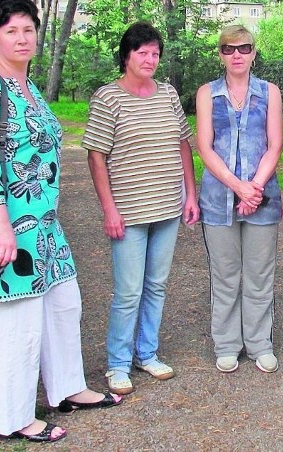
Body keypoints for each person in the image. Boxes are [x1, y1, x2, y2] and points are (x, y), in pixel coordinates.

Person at [0, 0, 122, 443]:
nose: (22, 38)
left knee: (65, 306)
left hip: (44, 224)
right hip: (7, 225)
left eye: (28, 29)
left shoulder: (29, 87)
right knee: (16, 325)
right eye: (11, 31)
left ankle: (68, 388)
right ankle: (12, 418)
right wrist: (2, 226)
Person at [83, 22, 199, 395]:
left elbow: (184, 145)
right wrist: (109, 210)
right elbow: (97, 157)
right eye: (142, 52)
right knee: (128, 291)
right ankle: (117, 363)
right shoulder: (108, 98)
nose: (149, 59)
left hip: (167, 206)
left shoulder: (167, 95)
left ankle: (146, 353)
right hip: (129, 213)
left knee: (157, 286)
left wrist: (190, 196)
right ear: (127, 55)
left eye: (155, 53)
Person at [195, 25, 283, 373]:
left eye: (244, 48)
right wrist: (237, 187)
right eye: (229, 49)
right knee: (226, 275)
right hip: (219, 198)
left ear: (253, 53)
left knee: (260, 275)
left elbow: (275, 144)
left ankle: (260, 343)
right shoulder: (207, 94)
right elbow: (205, 146)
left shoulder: (270, 92)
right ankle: (228, 344)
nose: (237, 55)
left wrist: (254, 188)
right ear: (221, 54)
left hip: (263, 198)